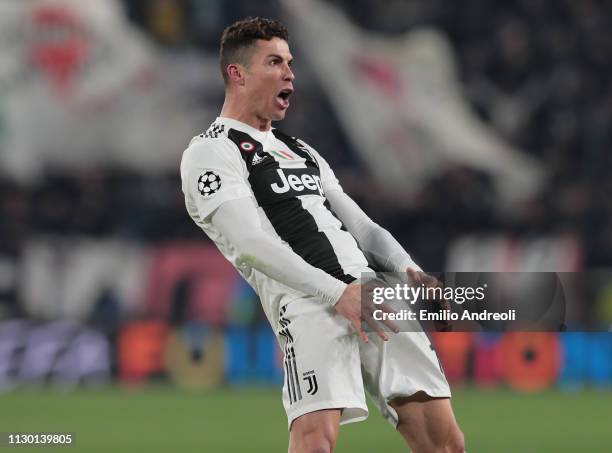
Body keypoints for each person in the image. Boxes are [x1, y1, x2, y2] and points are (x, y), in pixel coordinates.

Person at [180, 17, 465, 453]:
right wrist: (337, 293)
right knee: (315, 444)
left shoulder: (302, 151)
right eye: (274, 62)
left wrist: (410, 271)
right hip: (309, 303)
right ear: (237, 74)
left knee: (444, 442)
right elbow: (251, 244)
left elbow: (363, 227)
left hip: (374, 293)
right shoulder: (211, 151)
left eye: (290, 62)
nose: (290, 73)